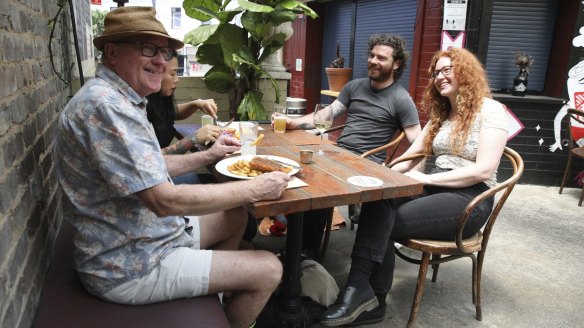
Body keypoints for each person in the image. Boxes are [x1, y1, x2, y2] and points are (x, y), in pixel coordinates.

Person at [53, 7, 289, 328]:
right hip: (128, 264)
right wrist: (256, 188)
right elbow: (164, 201)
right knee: (270, 268)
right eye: (147, 49)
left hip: (147, 236)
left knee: (235, 217)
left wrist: (209, 155)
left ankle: (215, 301)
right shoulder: (106, 107)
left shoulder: (123, 98)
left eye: (163, 52)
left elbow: (152, 165)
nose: (161, 61)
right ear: (111, 52)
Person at [320, 47, 509, 326]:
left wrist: (427, 179)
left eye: (447, 70)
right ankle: (361, 293)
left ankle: (365, 296)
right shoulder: (441, 115)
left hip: (471, 198)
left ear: (465, 73)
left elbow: (484, 169)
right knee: (379, 202)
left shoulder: (491, 111)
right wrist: (384, 178)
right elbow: (409, 158)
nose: (439, 77)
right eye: (435, 73)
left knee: (384, 220)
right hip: (435, 188)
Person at [273, 33, 422, 258]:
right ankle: (295, 237)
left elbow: (418, 143)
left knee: (319, 184)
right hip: (338, 152)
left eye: (381, 58)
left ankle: (304, 252)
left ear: (396, 64)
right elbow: (329, 113)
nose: (373, 61)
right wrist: (295, 122)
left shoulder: (401, 99)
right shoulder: (354, 86)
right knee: (294, 170)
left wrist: (409, 176)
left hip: (365, 162)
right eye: (372, 55)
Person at [146, 53, 221, 185]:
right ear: (154, 73)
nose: (177, 80)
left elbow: (171, 113)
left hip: (162, 173)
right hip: (154, 179)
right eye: (173, 73)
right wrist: (193, 138)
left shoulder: (155, 102)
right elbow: (148, 160)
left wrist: (196, 104)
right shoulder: (138, 109)